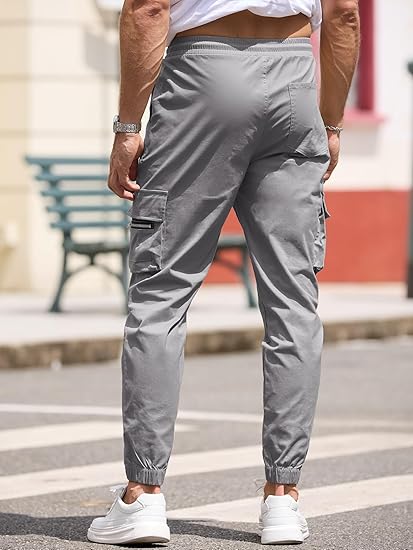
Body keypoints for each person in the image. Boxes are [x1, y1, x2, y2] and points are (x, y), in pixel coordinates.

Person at [87, 0, 360, 545]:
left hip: (201, 75)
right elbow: (344, 14)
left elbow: (148, 9)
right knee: (293, 303)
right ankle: (282, 499)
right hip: (294, 76)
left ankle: (144, 495)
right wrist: (330, 121)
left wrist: (127, 126)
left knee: (161, 294)